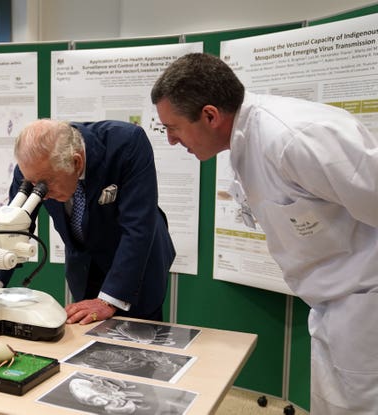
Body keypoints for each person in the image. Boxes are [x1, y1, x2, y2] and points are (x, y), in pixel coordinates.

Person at [151, 52, 378, 414]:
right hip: (332, 305)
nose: (171, 140)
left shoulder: (295, 137)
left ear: (210, 115)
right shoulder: (246, 142)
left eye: (173, 127)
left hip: (366, 305)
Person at [0, 119, 176, 324]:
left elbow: (138, 227)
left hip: (136, 271)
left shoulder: (127, 143)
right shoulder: (33, 170)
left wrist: (108, 301)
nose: (42, 193)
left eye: (45, 185)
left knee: (138, 345)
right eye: (34, 184)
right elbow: (14, 230)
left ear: (76, 162)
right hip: (86, 270)